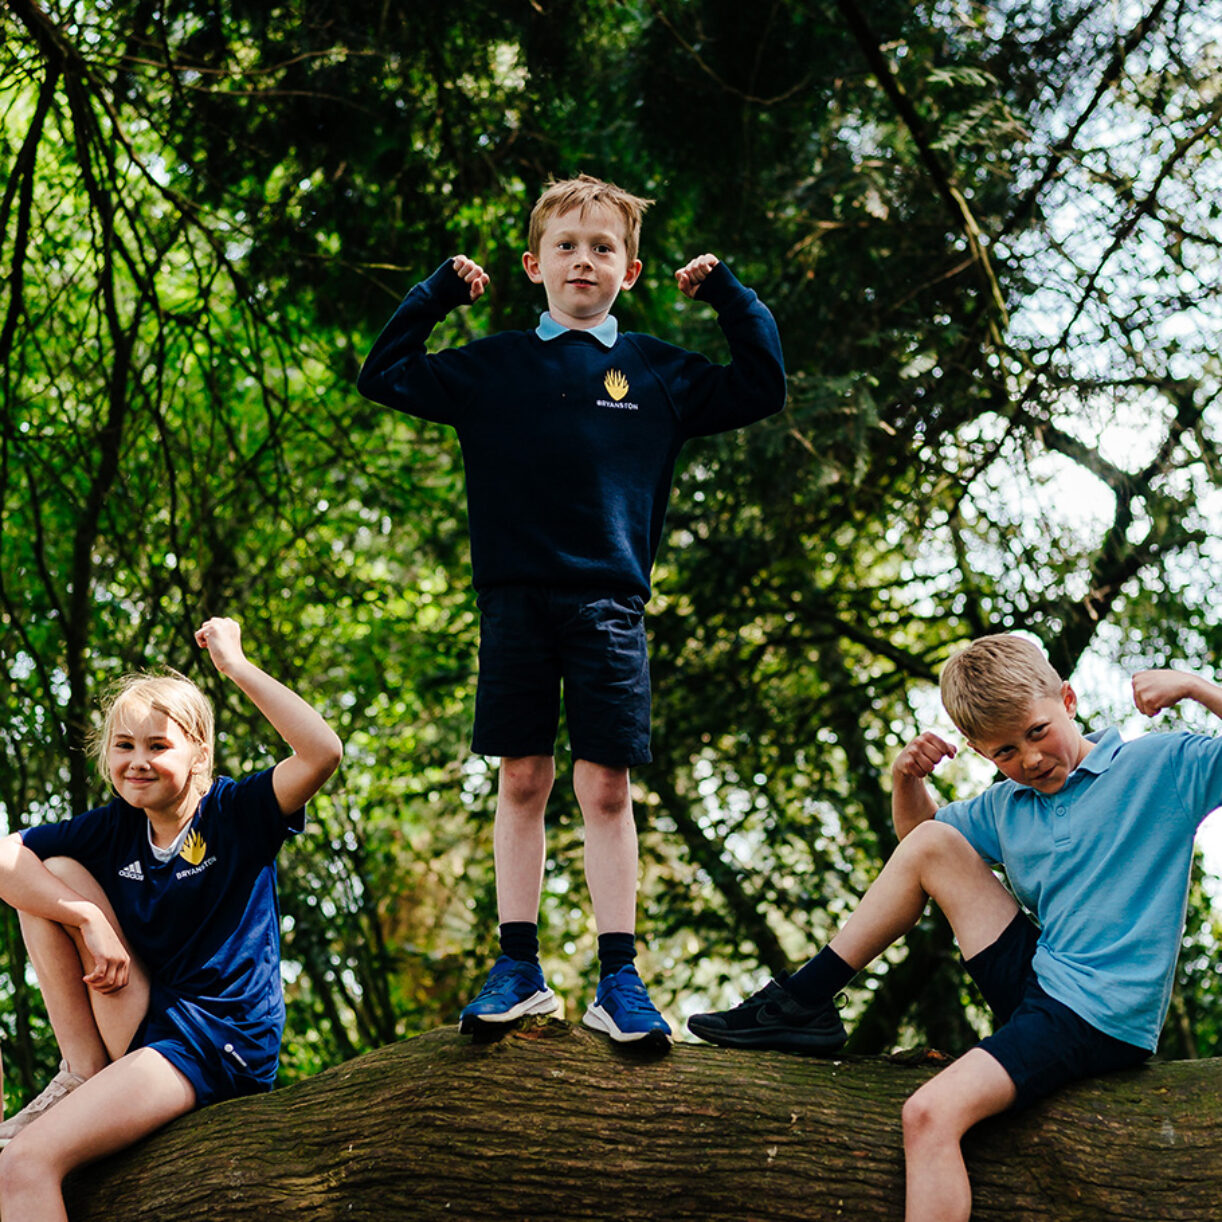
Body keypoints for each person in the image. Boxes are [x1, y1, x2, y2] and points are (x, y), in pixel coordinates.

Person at [357, 173, 785, 1047]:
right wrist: (437, 291)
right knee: (522, 778)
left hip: (609, 606)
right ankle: (517, 967)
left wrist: (730, 295)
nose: (582, 260)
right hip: (515, 601)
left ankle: (619, 977)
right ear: (533, 264)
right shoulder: (495, 367)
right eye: (566, 246)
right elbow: (385, 374)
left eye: (602, 248)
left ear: (629, 271)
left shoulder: (659, 372)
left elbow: (761, 385)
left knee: (605, 785)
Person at [687, 633, 1222, 1222]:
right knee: (936, 842)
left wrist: (1197, 686)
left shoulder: (1159, 767)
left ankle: (800, 1005)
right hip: (1040, 980)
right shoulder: (1009, 803)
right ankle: (801, 1003)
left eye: (1037, 733)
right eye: (1005, 753)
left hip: (1098, 1014)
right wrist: (907, 781)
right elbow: (918, 848)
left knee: (927, 1115)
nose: (1030, 760)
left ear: (1067, 700)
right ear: (978, 750)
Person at [0, 617, 342, 1222]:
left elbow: (322, 752)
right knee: (50, 871)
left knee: (22, 1165)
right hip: (150, 1016)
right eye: (124, 746)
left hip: (217, 1040)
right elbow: (5, 858)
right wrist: (85, 916)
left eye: (158, 746)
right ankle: (82, 1072)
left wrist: (235, 666)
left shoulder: (234, 814)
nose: (138, 762)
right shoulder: (115, 828)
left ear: (199, 752)